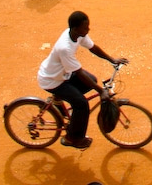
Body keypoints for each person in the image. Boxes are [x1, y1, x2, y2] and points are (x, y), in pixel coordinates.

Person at [37, 11, 128, 149]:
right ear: (75, 28)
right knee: (81, 104)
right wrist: (101, 91)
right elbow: (78, 72)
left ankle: (57, 101)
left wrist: (112, 59)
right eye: (85, 27)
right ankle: (72, 139)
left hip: (63, 74)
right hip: (52, 80)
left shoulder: (77, 35)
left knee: (92, 80)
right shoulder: (65, 48)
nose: (88, 29)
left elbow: (93, 48)